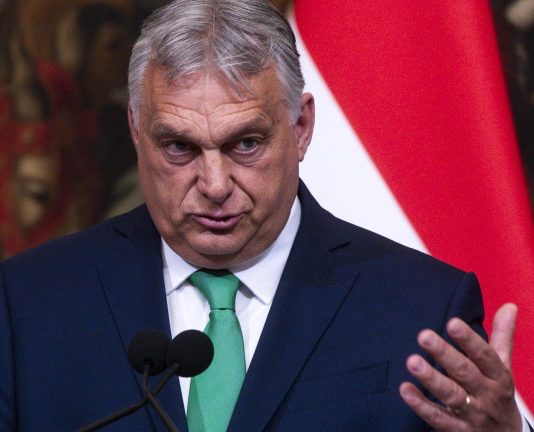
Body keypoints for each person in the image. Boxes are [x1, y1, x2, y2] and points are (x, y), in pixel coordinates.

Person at [0, 0, 530, 430]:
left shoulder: (420, 308)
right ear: (137, 131)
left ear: (300, 128)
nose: (214, 186)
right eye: (180, 147)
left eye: (246, 143)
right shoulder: (29, 304)